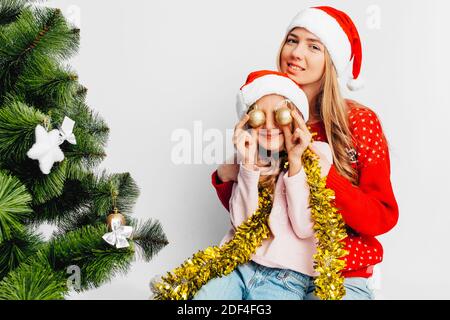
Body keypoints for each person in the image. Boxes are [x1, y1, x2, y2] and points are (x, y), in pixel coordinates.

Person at [210, 6, 399, 300]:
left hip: (338, 272)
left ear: (331, 60)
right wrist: (227, 175)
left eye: (314, 46)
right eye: (292, 40)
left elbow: (381, 217)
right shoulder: (268, 114)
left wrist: (325, 176)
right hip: (273, 267)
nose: (297, 53)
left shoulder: (359, 122)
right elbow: (258, 213)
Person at [193, 70, 334, 300]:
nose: (269, 125)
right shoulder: (247, 158)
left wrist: (296, 162)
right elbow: (243, 227)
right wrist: (248, 166)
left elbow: (304, 226)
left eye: (280, 115)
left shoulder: (317, 156)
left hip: (287, 278)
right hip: (237, 267)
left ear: (296, 118)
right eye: (259, 116)